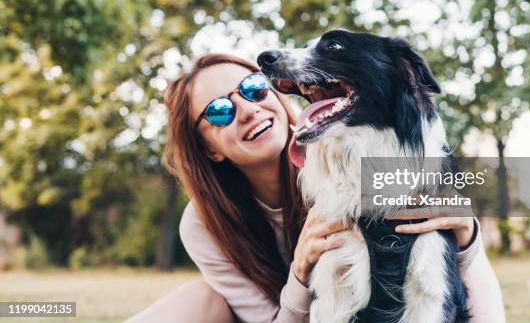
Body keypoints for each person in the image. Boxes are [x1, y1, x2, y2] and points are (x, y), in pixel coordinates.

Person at [126, 53, 505, 323]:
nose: (247, 109)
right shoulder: (204, 223)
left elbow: (448, 279)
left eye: (254, 88)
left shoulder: (348, 154)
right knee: (199, 300)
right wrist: (301, 272)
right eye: (219, 112)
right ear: (208, 148)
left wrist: (467, 234)